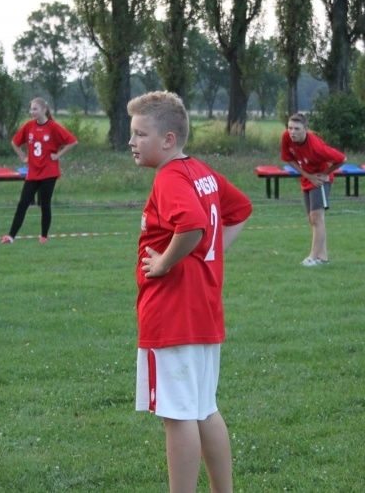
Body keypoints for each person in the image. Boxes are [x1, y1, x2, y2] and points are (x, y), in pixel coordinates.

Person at [128, 91, 252, 493]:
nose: (131, 141)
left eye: (140, 133)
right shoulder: (201, 171)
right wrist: (208, 254)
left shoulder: (170, 177)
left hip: (173, 313)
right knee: (203, 409)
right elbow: (239, 209)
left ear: (168, 139)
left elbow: (194, 225)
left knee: (178, 416)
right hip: (202, 311)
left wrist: (165, 262)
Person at [1, 98, 77, 244]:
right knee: (23, 203)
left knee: (45, 203)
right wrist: (23, 156)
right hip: (33, 172)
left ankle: (43, 236)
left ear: (44, 110)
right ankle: (11, 236)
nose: (32, 112)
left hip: (49, 172)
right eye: (31, 109)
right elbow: (14, 142)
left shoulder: (53, 127)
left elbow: (72, 141)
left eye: (35, 109)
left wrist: (58, 155)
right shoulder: (29, 126)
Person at [280, 112, 345, 267]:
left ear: (306, 129)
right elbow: (288, 158)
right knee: (312, 219)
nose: (292, 132)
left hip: (319, 180)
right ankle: (323, 258)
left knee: (316, 218)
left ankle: (313, 258)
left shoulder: (316, 147)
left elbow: (342, 159)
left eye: (296, 129)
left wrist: (325, 174)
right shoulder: (286, 137)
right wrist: (306, 175)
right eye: (290, 128)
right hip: (308, 178)